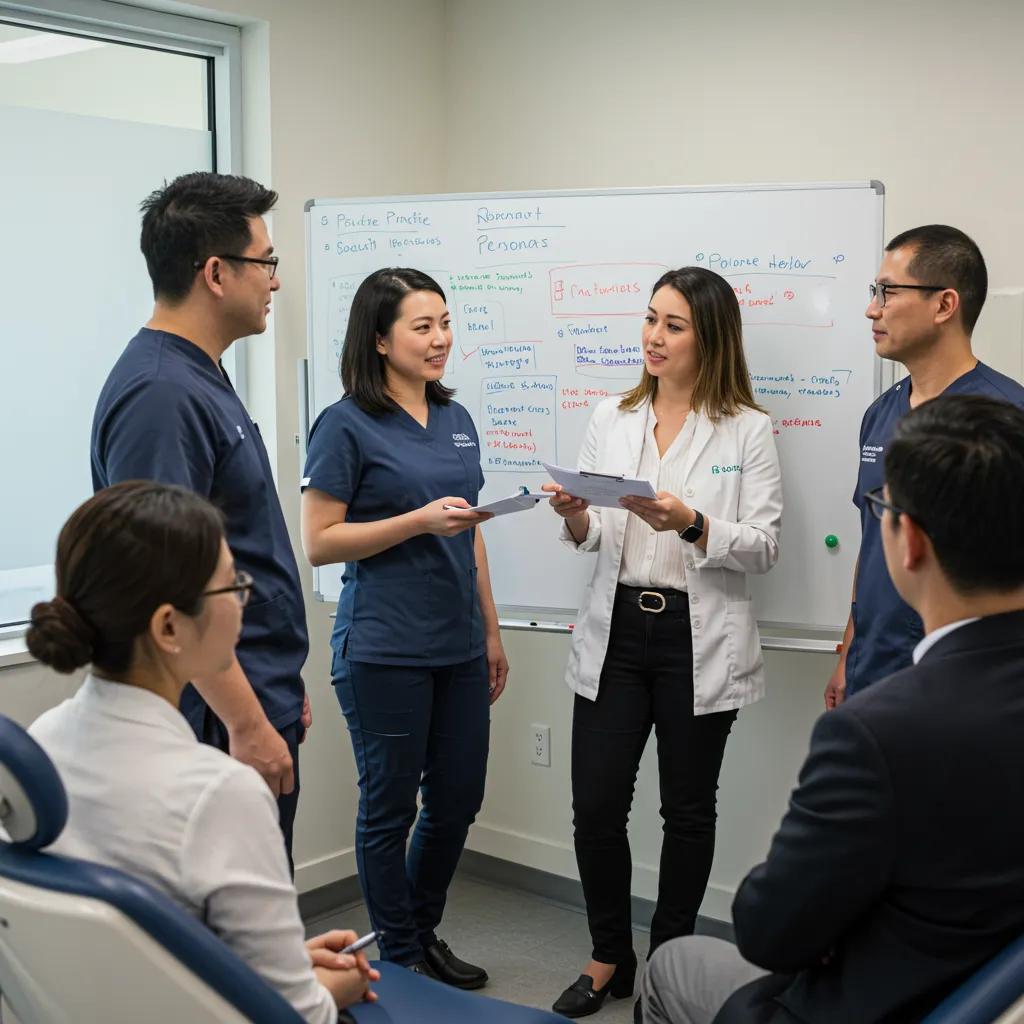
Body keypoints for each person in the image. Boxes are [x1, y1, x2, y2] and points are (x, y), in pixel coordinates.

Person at [642, 394, 1024, 1024]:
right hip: (985, 991)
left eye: (881, 508)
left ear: (910, 541)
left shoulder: (877, 733)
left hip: (864, 1003)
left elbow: (768, 932)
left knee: (673, 964)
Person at [23, 481, 379, 1024]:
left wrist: (277, 965)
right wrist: (334, 987)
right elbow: (299, 1015)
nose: (243, 600)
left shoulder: (42, 745)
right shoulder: (218, 793)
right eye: (232, 585)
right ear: (169, 627)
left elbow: (137, 946)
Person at [542, 267, 783, 1018]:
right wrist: (574, 513)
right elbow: (592, 535)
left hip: (695, 636)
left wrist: (692, 523)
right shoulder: (612, 416)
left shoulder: (747, 428)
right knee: (596, 806)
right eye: (651, 318)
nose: (654, 336)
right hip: (617, 628)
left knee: (687, 810)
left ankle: (668, 960)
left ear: (709, 339)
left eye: (673, 325)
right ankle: (609, 954)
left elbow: (765, 546)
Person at [91, 172, 310, 866]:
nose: (275, 280)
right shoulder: (161, 394)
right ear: (216, 273)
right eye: (266, 262)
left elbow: (237, 545)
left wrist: (276, 689)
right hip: (213, 720)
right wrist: (247, 721)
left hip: (251, 691)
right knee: (229, 914)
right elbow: (170, 583)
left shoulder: (198, 373)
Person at [300, 267, 508, 987]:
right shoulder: (344, 423)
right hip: (384, 647)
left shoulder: (457, 420)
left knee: (458, 800)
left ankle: (418, 931)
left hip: (458, 644)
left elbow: (470, 534)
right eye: (423, 326)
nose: (441, 338)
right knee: (389, 809)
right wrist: (417, 521)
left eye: (445, 322)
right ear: (381, 340)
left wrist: (490, 631)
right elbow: (320, 542)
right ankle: (401, 951)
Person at [825, 224, 1024, 707]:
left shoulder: (1004, 417)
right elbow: (872, 539)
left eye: (888, 292)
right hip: (873, 665)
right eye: (874, 291)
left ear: (944, 304)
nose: (872, 308)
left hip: (968, 683)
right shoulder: (881, 413)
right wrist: (850, 649)